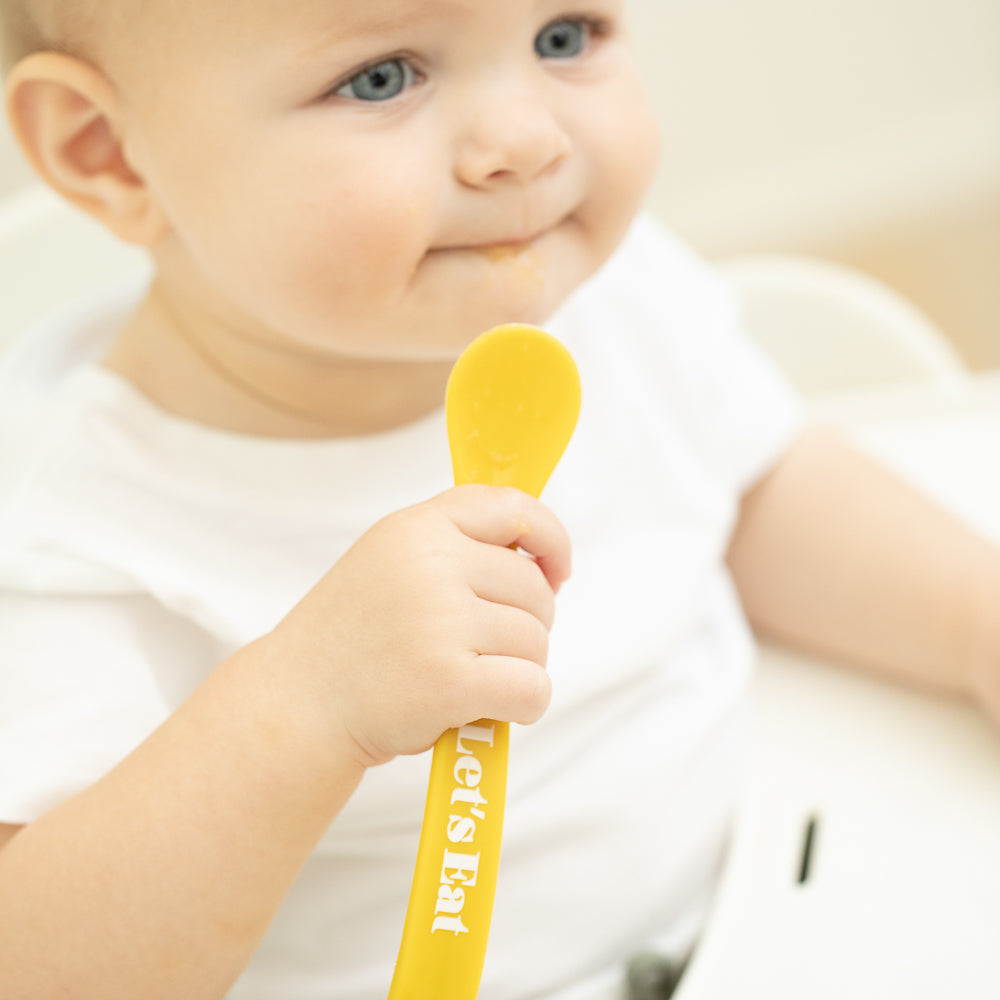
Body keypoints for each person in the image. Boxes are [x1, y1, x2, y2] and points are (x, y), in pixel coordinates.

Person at [0, 1, 997, 998]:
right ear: (106, 153)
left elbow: (755, 486)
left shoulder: (596, 297)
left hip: (778, 887)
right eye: (382, 77)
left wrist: (970, 621)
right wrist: (301, 707)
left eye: (563, 36)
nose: (526, 140)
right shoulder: (72, 536)